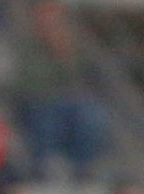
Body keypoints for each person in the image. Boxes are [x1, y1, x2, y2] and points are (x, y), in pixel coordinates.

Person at [11, 0, 110, 177]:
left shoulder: (70, 44)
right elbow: (30, 81)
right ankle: (41, 168)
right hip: (37, 102)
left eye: (53, 15)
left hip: (67, 101)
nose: (49, 20)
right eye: (44, 14)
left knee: (93, 117)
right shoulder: (26, 44)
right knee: (45, 120)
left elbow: (80, 77)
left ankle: (83, 168)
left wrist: (64, 56)